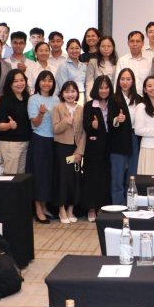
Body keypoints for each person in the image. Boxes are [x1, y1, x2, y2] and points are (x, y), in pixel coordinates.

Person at [82, 75, 125, 208]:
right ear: (96, 88)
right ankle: (91, 208)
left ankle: (104, 207)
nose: (104, 91)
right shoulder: (89, 105)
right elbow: (86, 126)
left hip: (110, 146)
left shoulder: (114, 104)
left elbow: (115, 124)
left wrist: (118, 120)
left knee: (107, 178)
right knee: (92, 177)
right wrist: (93, 126)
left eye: (106, 88)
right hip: (94, 148)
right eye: (101, 88)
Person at [26, 70, 58, 222]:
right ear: (38, 82)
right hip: (39, 140)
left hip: (54, 140)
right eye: (44, 80)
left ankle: (45, 207)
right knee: (38, 175)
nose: (47, 83)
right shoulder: (33, 99)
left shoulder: (56, 99)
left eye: (50, 80)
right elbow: (35, 123)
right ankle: (38, 209)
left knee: (48, 175)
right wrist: (41, 113)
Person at [51, 81, 85, 224]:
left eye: (73, 91)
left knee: (74, 179)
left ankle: (71, 209)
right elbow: (55, 129)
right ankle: (61, 209)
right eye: (67, 91)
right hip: (62, 148)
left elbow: (84, 132)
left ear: (77, 93)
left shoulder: (81, 109)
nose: (70, 94)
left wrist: (80, 152)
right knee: (62, 178)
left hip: (75, 149)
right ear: (62, 94)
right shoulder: (57, 107)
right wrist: (65, 121)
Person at [0, 69, 32, 175]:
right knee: (10, 176)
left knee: (21, 177)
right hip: (11, 144)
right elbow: (0, 125)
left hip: (26, 142)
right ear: (10, 83)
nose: (19, 83)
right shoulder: (5, 100)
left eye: (22, 80)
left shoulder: (27, 99)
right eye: (15, 81)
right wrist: (9, 125)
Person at [115, 68, 142, 178]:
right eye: (122, 79)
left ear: (133, 81)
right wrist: (117, 119)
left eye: (128, 79)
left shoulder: (139, 99)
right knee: (118, 174)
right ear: (118, 81)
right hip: (119, 139)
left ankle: (131, 190)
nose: (125, 82)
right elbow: (109, 119)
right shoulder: (113, 98)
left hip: (135, 137)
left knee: (133, 173)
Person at [55, 39, 88, 104]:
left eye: (77, 48)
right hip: (68, 98)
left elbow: (86, 85)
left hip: (83, 98)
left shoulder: (84, 66)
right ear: (67, 50)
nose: (74, 51)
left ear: (80, 49)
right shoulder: (63, 66)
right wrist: (71, 97)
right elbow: (63, 87)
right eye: (71, 48)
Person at [85, 35, 119, 100]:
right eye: (103, 46)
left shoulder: (118, 63)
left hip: (112, 97)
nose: (106, 49)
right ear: (99, 47)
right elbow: (89, 83)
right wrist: (89, 99)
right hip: (96, 97)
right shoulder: (93, 62)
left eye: (109, 46)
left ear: (113, 47)